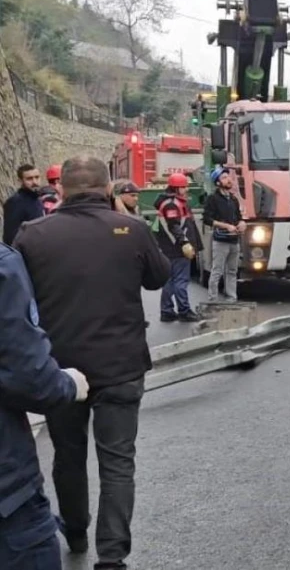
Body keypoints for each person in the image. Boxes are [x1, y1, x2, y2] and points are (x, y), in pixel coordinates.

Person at [12, 155, 170, 570]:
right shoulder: (132, 229)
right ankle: (112, 556)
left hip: (62, 368)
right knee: (118, 460)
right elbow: (158, 277)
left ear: (60, 190)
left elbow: (17, 296)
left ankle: (76, 531)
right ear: (107, 189)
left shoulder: (32, 235)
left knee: (68, 453)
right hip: (121, 366)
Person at [0, 242, 89, 570]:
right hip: (8, 497)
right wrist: (67, 384)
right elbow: (30, 378)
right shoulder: (3, 263)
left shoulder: (30, 238)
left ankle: (77, 530)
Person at [152, 173, 201, 322]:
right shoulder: (171, 204)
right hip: (176, 248)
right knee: (180, 280)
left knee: (171, 280)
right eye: (184, 187)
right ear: (176, 188)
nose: (186, 189)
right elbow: (174, 226)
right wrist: (185, 243)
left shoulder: (172, 202)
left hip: (171, 247)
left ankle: (167, 311)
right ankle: (184, 311)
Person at [201, 166, 244, 302]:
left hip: (234, 241)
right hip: (220, 241)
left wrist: (242, 223)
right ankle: (212, 299)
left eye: (228, 177)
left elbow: (238, 217)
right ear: (218, 182)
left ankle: (231, 297)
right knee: (217, 270)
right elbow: (207, 219)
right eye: (224, 178)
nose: (228, 179)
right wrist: (225, 226)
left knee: (232, 271)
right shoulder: (212, 199)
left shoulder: (233, 199)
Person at [3, 164, 44, 245]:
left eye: (37, 177)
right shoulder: (15, 202)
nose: (35, 182)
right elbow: (10, 236)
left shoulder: (37, 199)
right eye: (29, 179)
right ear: (20, 181)